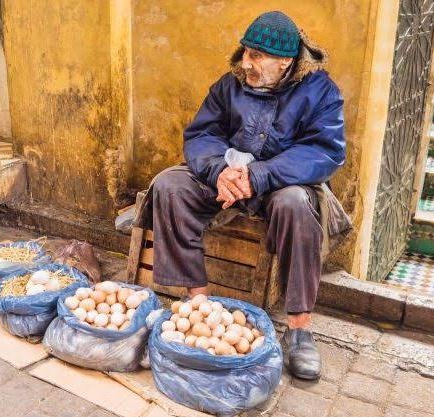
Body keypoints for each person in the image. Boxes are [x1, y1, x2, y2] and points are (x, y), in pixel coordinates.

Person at [144, 11, 351, 380]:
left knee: (296, 205)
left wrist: (259, 174)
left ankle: (300, 328)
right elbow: (202, 135)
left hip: (282, 181)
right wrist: (219, 172)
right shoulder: (230, 84)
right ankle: (198, 302)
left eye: (256, 56)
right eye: (245, 53)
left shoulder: (320, 92)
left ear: (286, 61)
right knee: (169, 185)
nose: (246, 63)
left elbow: (324, 151)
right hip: (225, 174)